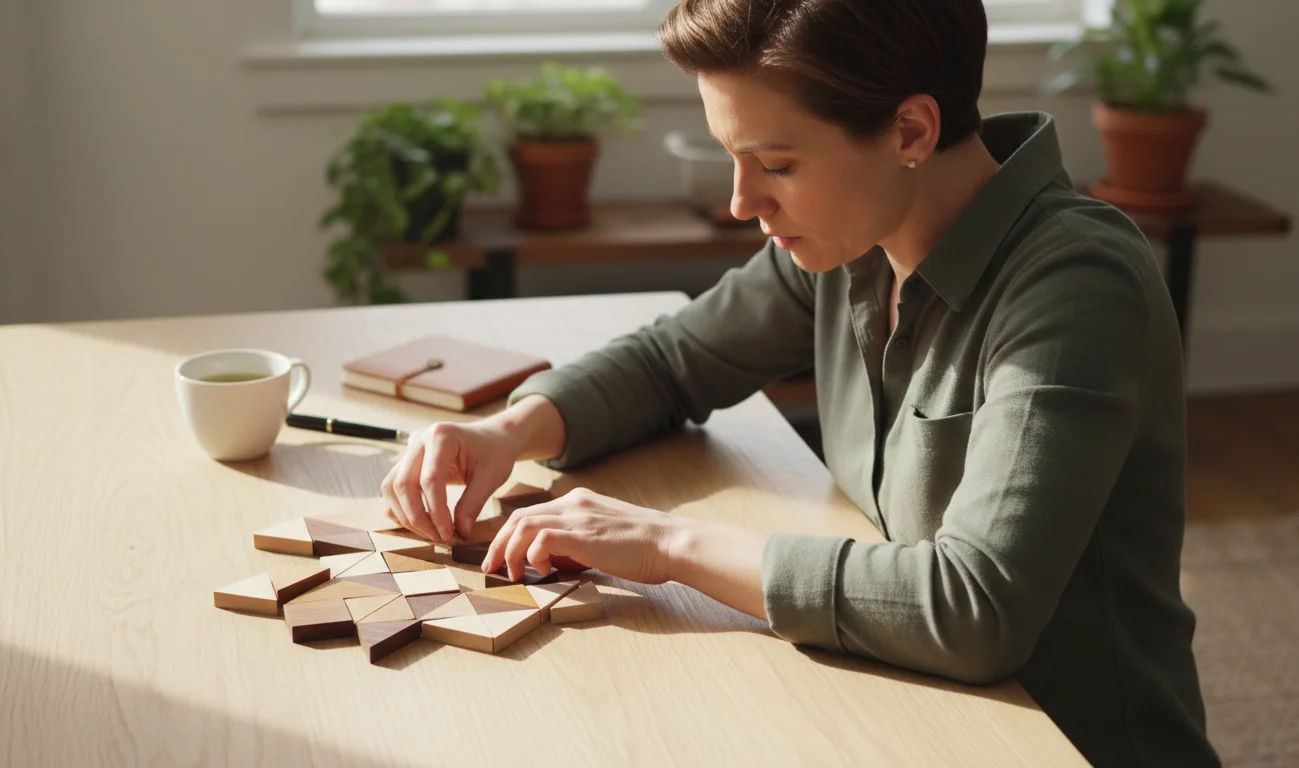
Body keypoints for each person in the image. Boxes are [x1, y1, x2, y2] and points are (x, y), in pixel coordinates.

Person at [379, 0, 1219, 764]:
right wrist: (508, 430)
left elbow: (975, 608)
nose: (745, 201)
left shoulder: (1075, 283)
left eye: (776, 163)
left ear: (911, 132)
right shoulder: (854, 239)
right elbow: (677, 359)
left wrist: (666, 543)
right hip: (908, 711)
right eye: (732, 157)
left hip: (1065, 743)